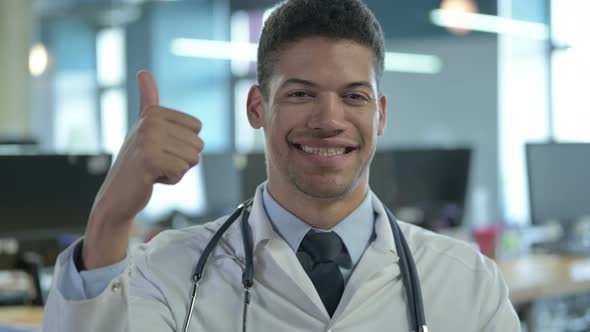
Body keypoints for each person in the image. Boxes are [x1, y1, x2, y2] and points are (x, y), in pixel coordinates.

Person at [43, 0, 520, 331]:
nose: (329, 120)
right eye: (300, 94)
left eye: (354, 96)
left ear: (380, 115)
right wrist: (110, 213)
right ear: (256, 107)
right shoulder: (171, 270)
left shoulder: (468, 280)